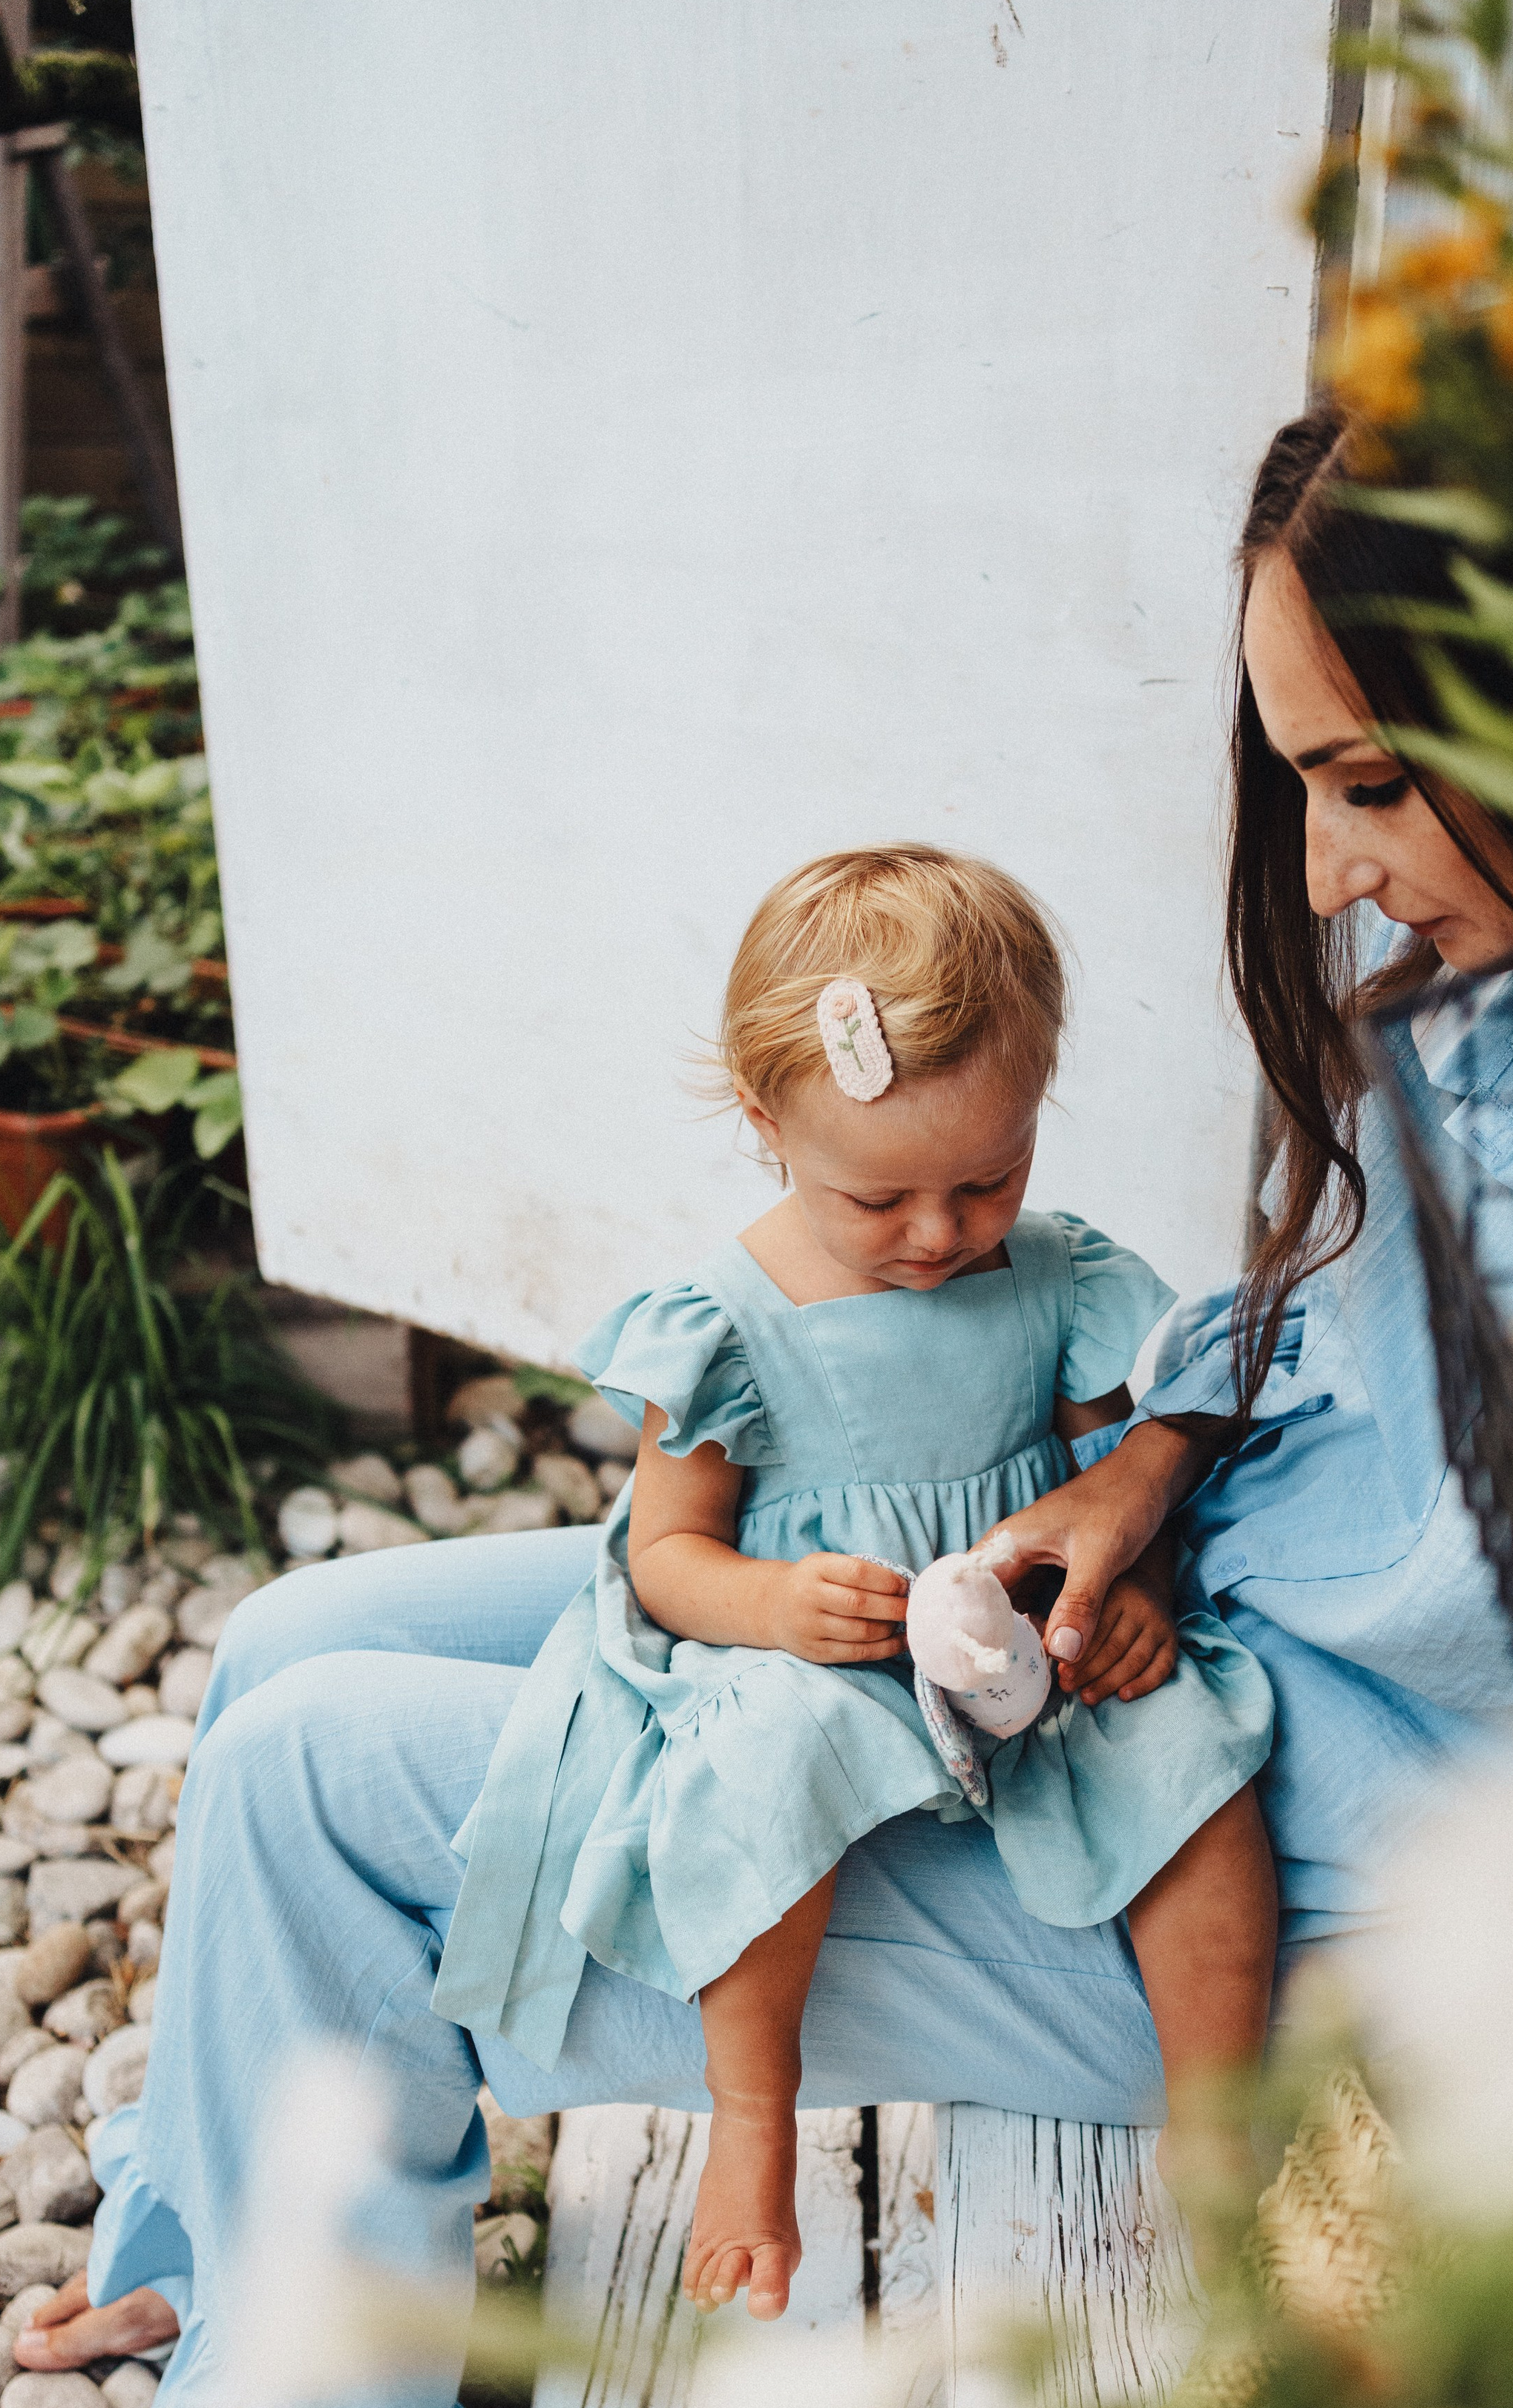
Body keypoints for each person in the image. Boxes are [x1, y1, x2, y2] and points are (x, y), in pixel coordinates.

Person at [0, 402, 1513, 2408]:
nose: (1328, 870)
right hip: (1131, 1619)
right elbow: (1315, 1345)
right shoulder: (1508, 1016)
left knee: (314, 1786)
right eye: (1310, 777)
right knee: (291, 1642)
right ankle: (220, 2219)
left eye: (1375, 781)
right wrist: (1157, 1471)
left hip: (1258, 1884)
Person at [431, 846, 1276, 2320]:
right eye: (878, 1197)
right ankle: (751, 2123)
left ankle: (1214, 2143)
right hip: (826, 1666)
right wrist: (770, 1609)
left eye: (987, 1178)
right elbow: (664, 1558)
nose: (942, 1234)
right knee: (756, 1775)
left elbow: (1110, 1483)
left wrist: (1125, 1595)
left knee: (1196, 1767)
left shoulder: (1060, 1282)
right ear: (766, 1128)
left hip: (1030, 1650)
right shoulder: (725, 1323)